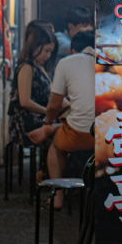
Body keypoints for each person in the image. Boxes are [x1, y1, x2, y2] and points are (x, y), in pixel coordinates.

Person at [28, 30, 94, 209]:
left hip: (80, 135)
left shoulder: (66, 63)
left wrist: (47, 123)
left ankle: (58, 198)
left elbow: (53, 105)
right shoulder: (111, 62)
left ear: (73, 50)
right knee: (70, 122)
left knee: (55, 147)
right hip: (111, 134)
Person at [7, 22, 56, 148]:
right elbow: (25, 102)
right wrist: (48, 112)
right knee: (64, 131)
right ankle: (48, 167)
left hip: (39, 117)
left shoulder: (38, 66)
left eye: (51, 52)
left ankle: (48, 166)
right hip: (26, 122)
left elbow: (52, 89)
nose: (48, 55)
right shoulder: (27, 67)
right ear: (35, 46)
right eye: (46, 51)